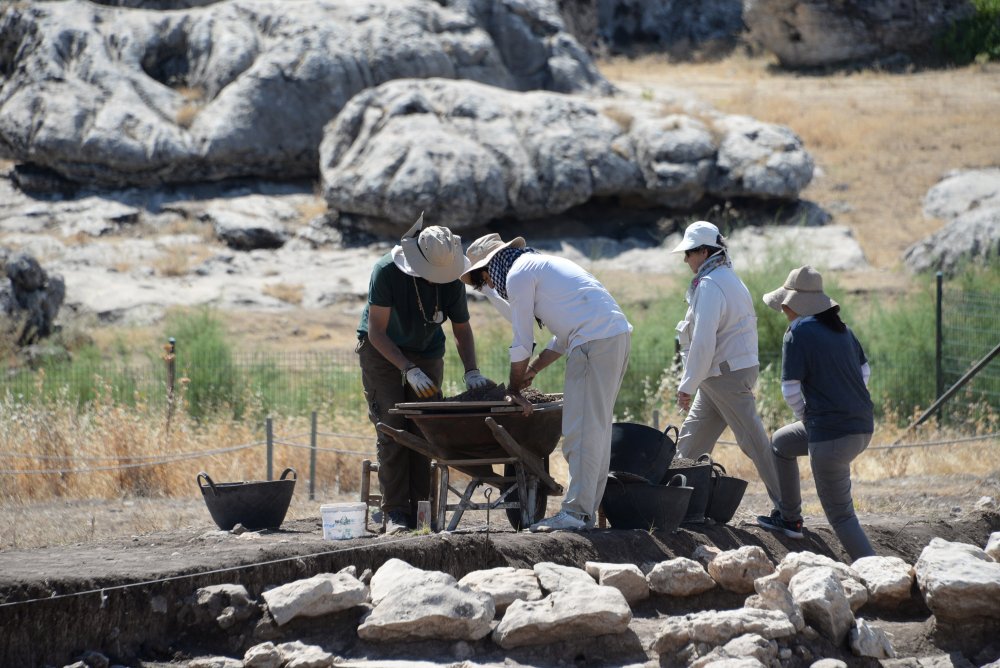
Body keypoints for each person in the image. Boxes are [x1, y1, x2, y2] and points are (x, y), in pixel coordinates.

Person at [461, 233, 632, 532]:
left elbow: (522, 342)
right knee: (596, 430)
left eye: (484, 280)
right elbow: (561, 334)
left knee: (580, 430)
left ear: (490, 269)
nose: (488, 287)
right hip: (613, 336)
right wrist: (535, 369)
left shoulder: (517, 275)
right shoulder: (538, 265)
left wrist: (514, 388)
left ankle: (576, 514)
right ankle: (584, 513)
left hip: (594, 342)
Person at [357, 215, 493, 535]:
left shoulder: (450, 276)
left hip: (427, 350)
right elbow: (377, 332)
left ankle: (422, 511)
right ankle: (395, 514)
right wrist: (407, 367)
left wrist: (471, 370)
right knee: (393, 429)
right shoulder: (386, 271)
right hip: (382, 351)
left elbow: (461, 328)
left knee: (424, 430)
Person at [756, 266, 876, 560]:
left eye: (785, 303)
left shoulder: (797, 332)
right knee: (781, 443)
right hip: (861, 427)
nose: (783, 309)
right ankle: (789, 519)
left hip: (830, 437)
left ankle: (881, 576)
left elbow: (791, 392)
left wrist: (808, 418)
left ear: (792, 304)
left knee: (843, 518)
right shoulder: (843, 330)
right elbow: (865, 372)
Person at [671, 221, 781, 512]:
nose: (685, 259)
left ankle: (788, 509)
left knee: (754, 443)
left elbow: (703, 341)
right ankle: (677, 508)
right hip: (721, 373)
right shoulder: (725, 277)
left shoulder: (710, 285)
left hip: (723, 374)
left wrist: (687, 384)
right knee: (690, 445)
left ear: (704, 251)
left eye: (689, 253)